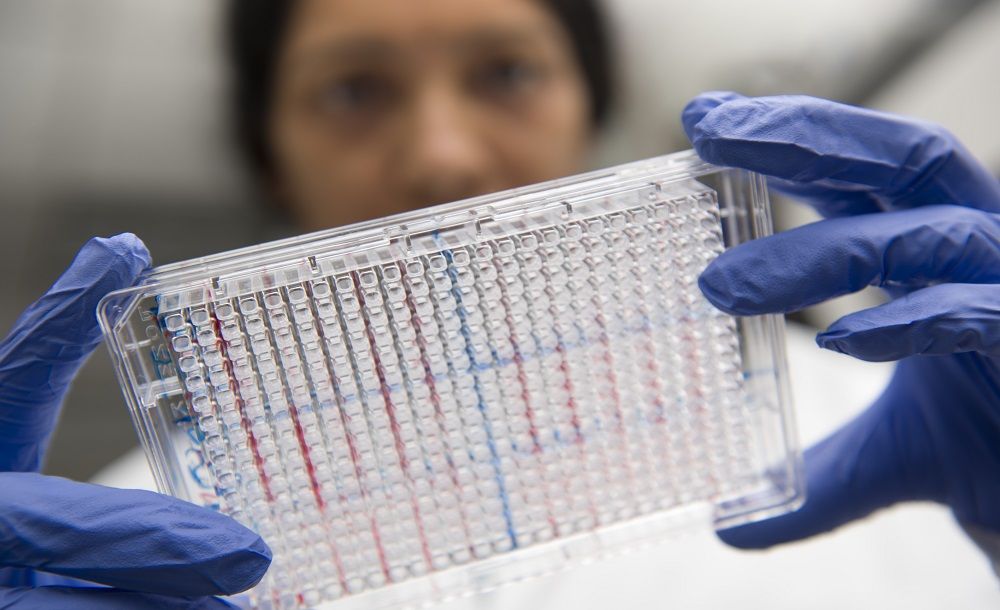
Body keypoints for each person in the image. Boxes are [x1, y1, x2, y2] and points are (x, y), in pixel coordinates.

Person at [0, 2, 997, 608]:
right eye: (353, 91)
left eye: (507, 73)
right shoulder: (135, 537)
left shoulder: (892, 421)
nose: (445, 155)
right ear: (271, 155)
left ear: (589, 108)